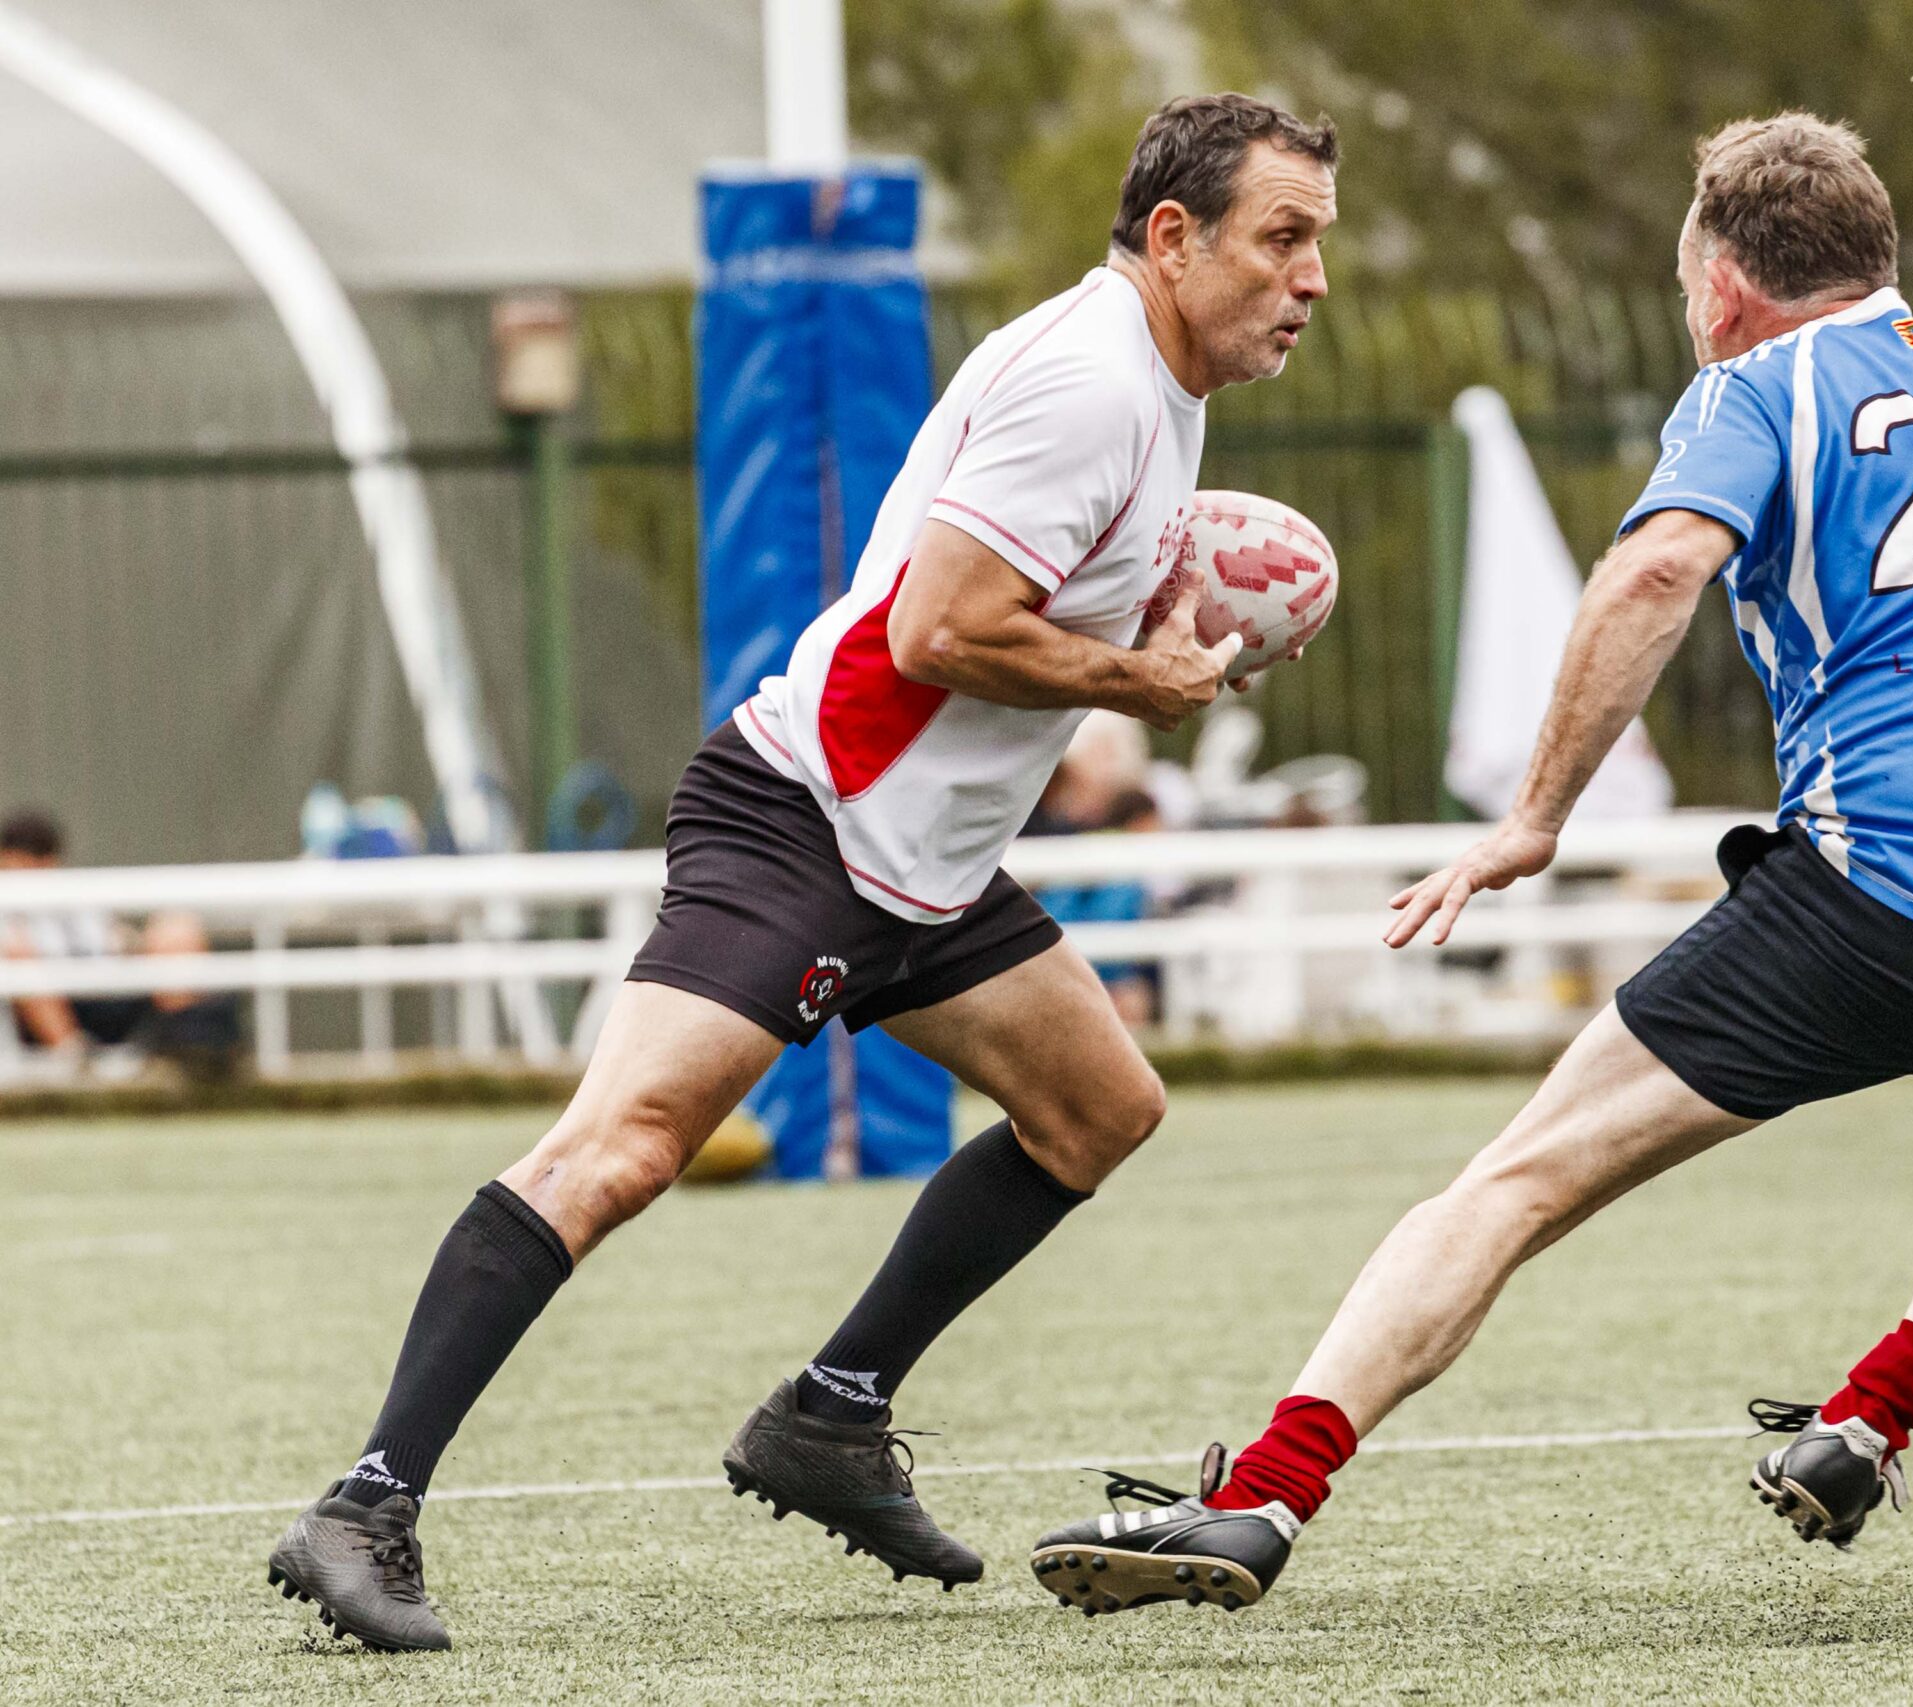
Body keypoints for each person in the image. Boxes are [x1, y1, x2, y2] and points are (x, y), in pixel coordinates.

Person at [1026, 112, 1913, 1616]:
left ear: (1721, 285)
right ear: (1876, 256)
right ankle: (1881, 1412)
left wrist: (1532, 818)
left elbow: (1655, 568)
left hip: (1879, 896)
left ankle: (1264, 1493)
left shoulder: (1758, 385)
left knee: (1519, 1178)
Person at [266, 92, 1338, 1653]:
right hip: (812, 821)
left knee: (1098, 1105)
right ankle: (363, 1503)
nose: (1311, 280)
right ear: (1173, 238)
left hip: (927, 864)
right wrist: (1141, 683)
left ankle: (829, 1416)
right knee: (620, 1150)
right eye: (1283, 239)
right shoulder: (1096, 382)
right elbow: (939, 631)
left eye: (1320, 244)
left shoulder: (1160, 378)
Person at [1, 809, 242, 1078]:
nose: (30, 873)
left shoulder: (78, 899)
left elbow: (119, 940)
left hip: (110, 990)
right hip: (50, 1007)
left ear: (52, 861)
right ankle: (77, 1062)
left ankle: (193, 1047)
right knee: (20, 959)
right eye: (19, 865)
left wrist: (139, 948)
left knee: (176, 928)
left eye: (37, 862)